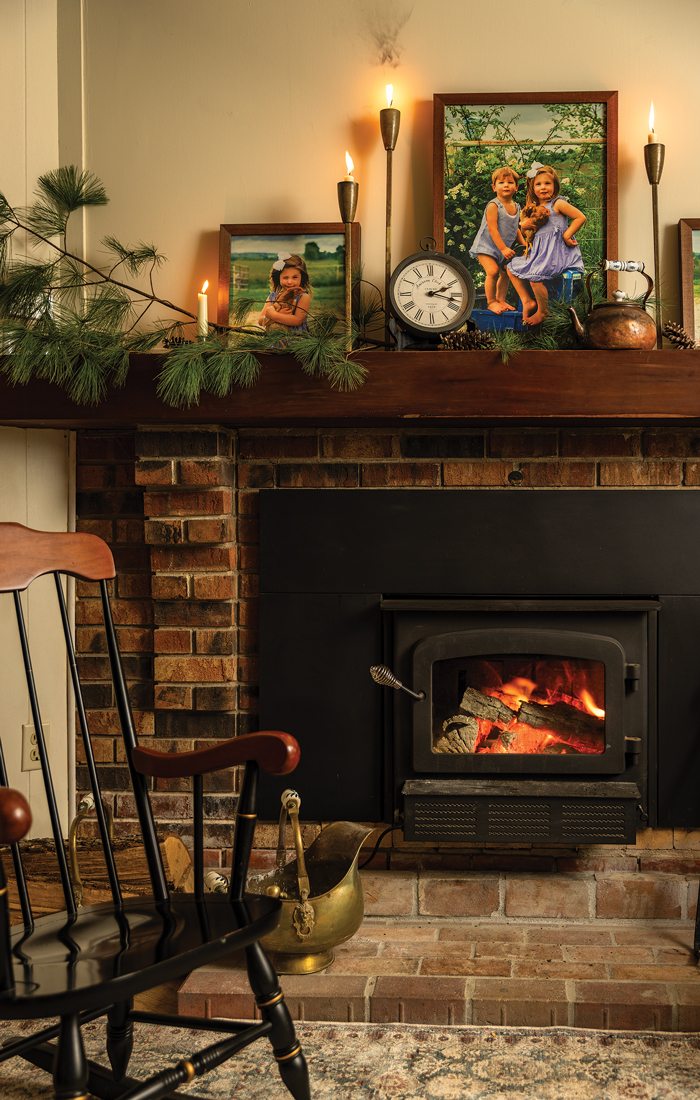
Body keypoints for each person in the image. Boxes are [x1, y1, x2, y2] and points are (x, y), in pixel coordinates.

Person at [506, 163, 586, 326]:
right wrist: (525, 226)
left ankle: (543, 311)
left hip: (557, 255)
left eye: (547, 183)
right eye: (538, 184)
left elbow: (580, 217)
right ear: (532, 187)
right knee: (510, 268)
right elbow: (530, 234)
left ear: (555, 185)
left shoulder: (558, 204)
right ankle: (527, 300)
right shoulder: (535, 208)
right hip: (541, 254)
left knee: (535, 278)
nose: (543, 188)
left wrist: (567, 235)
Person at [469, 167, 524, 314]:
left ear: (516, 187)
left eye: (510, 182)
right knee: (492, 272)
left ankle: (501, 300)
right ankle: (491, 302)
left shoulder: (517, 207)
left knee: (505, 272)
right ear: (494, 187)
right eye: (501, 182)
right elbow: (492, 229)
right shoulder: (493, 206)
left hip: (501, 248)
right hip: (486, 246)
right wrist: (504, 249)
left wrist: (524, 244)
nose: (506, 185)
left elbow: (515, 228)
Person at [258, 253, 312, 332]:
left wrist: (274, 315)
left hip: (296, 340)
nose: (290, 282)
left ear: (302, 277)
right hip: (275, 341)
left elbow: (297, 320)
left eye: (295, 277)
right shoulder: (273, 296)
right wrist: (276, 314)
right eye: (285, 277)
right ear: (278, 278)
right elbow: (260, 320)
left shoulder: (303, 297)